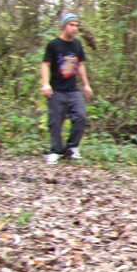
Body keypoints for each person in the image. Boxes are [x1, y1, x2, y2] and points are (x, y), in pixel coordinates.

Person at [41, 13, 93, 164]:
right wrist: (45, 83)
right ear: (64, 26)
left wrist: (86, 84)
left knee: (81, 117)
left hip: (73, 90)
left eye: (76, 25)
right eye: (72, 25)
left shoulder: (77, 45)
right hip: (57, 90)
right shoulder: (53, 45)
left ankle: (72, 148)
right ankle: (56, 150)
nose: (75, 28)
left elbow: (80, 64)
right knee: (55, 121)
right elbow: (45, 64)